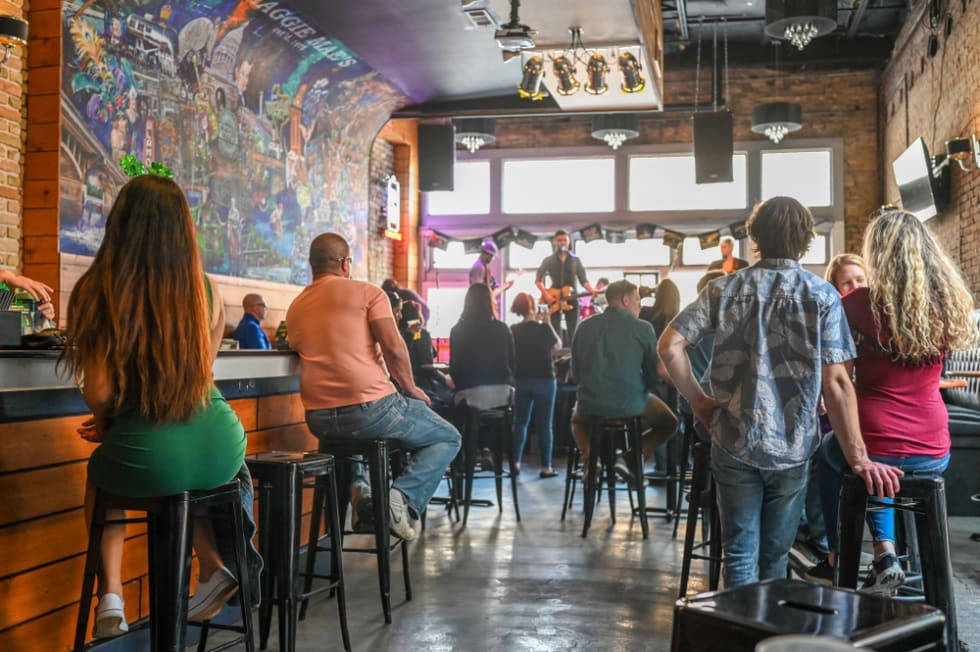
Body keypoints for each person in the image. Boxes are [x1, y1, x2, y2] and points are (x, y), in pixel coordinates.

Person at [658, 196, 903, 588]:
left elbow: (669, 346)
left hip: (732, 437)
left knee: (737, 552)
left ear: (754, 237)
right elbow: (838, 383)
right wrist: (859, 458)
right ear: (806, 240)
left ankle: (740, 635)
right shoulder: (823, 296)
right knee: (775, 555)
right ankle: (767, 640)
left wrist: (699, 402)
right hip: (792, 445)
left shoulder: (723, 290)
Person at [60, 175, 251, 636]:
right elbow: (199, 377)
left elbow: (100, 390)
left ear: (119, 224)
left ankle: (112, 597)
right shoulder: (204, 289)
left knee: (105, 475)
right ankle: (210, 567)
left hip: (151, 453)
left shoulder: (97, 291)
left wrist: (110, 428)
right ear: (181, 228)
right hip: (222, 445)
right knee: (183, 480)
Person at [808, 210, 976, 594]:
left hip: (874, 438)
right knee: (880, 466)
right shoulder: (947, 303)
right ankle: (902, 561)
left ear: (877, 255)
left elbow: (838, 380)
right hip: (933, 448)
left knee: (836, 456)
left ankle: (845, 555)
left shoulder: (856, 305)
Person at [287, 233, 461, 542]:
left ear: (311, 265)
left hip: (319, 420)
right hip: (370, 409)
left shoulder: (296, 307)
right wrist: (410, 388)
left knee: (350, 444)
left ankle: (360, 492)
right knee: (448, 436)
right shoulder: (368, 293)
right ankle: (399, 500)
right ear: (345, 263)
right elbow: (394, 348)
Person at [570, 280, 678, 485]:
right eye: (637, 299)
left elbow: (576, 373)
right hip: (631, 403)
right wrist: (640, 388)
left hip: (591, 403)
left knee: (577, 421)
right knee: (670, 423)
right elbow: (654, 373)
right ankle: (630, 457)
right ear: (625, 300)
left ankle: (591, 460)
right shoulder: (643, 328)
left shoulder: (584, 326)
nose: (639, 304)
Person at [509, 292, 561, 478]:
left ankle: (515, 462)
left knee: (520, 422)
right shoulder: (543, 329)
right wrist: (547, 322)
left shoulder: (513, 330)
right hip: (545, 379)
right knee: (544, 425)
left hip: (522, 379)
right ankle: (546, 467)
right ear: (532, 307)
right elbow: (557, 346)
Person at [535, 230, 598, 344]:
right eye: (559, 240)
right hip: (553, 299)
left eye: (565, 240)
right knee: (553, 329)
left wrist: (592, 290)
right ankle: (555, 356)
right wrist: (546, 295)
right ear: (555, 242)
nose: (562, 243)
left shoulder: (575, 260)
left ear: (568, 242)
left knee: (573, 331)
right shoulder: (548, 260)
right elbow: (538, 280)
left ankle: (572, 357)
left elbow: (583, 281)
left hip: (572, 298)